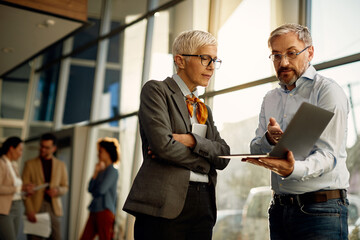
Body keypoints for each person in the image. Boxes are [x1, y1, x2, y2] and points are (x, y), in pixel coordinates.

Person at [123, 30, 230, 240]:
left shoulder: (203, 109)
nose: (211, 66)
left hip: (204, 204)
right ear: (180, 60)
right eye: (205, 58)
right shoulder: (156, 91)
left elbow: (224, 154)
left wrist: (191, 141)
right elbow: (163, 146)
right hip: (164, 203)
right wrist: (205, 162)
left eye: (214, 60)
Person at [246, 23, 350, 239]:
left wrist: (293, 170)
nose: (283, 62)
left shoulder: (327, 92)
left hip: (322, 212)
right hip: (279, 210)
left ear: (309, 52)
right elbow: (255, 146)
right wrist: (268, 138)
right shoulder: (270, 98)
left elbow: (328, 156)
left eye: (291, 53)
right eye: (276, 56)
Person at [22, 133, 69, 240]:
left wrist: (57, 190)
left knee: (56, 237)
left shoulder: (61, 165)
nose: (43, 150)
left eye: (47, 148)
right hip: (35, 208)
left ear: (54, 148)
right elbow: (24, 189)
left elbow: (65, 186)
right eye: (41, 146)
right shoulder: (29, 164)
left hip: (53, 207)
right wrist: (29, 210)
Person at [80, 137, 120, 240]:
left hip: (105, 211)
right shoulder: (101, 170)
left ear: (108, 152)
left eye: (100, 151)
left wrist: (95, 190)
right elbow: (89, 188)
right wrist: (96, 172)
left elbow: (101, 190)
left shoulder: (112, 170)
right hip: (94, 209)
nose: (98, 154)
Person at [0, 137, 34, 240]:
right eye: (20, 150)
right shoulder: (1, 163)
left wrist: (25, 191)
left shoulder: (13, 165)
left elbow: (16, 188)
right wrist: (20, 189)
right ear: (11, 148)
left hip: (17, 206)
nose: (21, 153)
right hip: (5, 209)